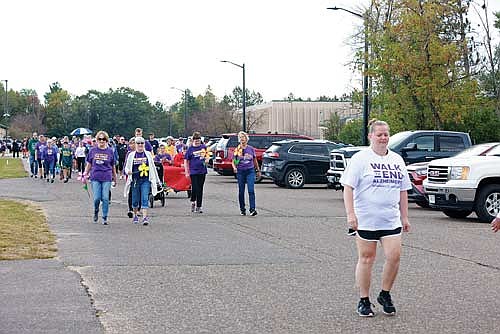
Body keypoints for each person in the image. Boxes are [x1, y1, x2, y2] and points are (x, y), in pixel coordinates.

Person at [340, 119, 411, 317]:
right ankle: (364, 300)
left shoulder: (397, 159)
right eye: (379, 134)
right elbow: (348, 187)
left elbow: (403, 190)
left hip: (390, 219)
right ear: (371, 136)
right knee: (367, 258)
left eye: (386, 134)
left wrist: (404, 217)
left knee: (394, 256)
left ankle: (385, 294)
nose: (383, 138)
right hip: (366, 219)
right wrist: (350, 214)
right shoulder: (360, 159)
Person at [124, 136, 161, 225]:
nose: (140, 145)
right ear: (135, 145)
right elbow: (127, 167)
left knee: (145, 198)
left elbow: (153, 167)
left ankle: (145, 217)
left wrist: (157, 180)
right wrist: (128, 171)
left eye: (142, 143)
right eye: (138, 143)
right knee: (135, 200)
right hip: (135, 180)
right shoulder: (131, 155)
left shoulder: (148, 154)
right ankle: (136, 214)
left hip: (145, 180)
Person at [83, 131, 117, 225]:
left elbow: (113, 165)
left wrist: (115, 177)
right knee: (97, 198)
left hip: (107, 176)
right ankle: (96, 210)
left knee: (105, 198)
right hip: (95, 176)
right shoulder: (93, 150)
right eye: (100, 139)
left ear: (106, 140)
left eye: (104, 139)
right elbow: (89, 163)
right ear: (97, 140)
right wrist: (85, 173)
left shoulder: (110, 151)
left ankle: (105, 216)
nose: (102, 141)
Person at [231, 131, 260, 216]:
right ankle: (242, 209)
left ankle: (252, 209)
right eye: (240, 138)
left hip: (250, 171)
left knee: (251, 190)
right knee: (241, 191)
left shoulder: (251, 149)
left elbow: (254, 160)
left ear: (246, 139)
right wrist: (234, 167)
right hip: (240, 172)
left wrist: (257, 170)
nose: (242, 139)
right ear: (239, 140)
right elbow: (234, 162)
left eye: (243, 137)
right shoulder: (237, 150)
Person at [184, 131, 208, 213]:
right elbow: (186, 161)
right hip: (193, 171)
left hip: (202, 170)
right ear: (193, 140)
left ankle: (199, 206)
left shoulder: (203, 147)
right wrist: (187, 172)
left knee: (200, 188)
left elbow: (207, 156)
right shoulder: (190, 149)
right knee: (195, 187)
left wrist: (207, 159)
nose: (197, 141)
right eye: (195, 140)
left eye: (198, 139)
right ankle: (193, 201)